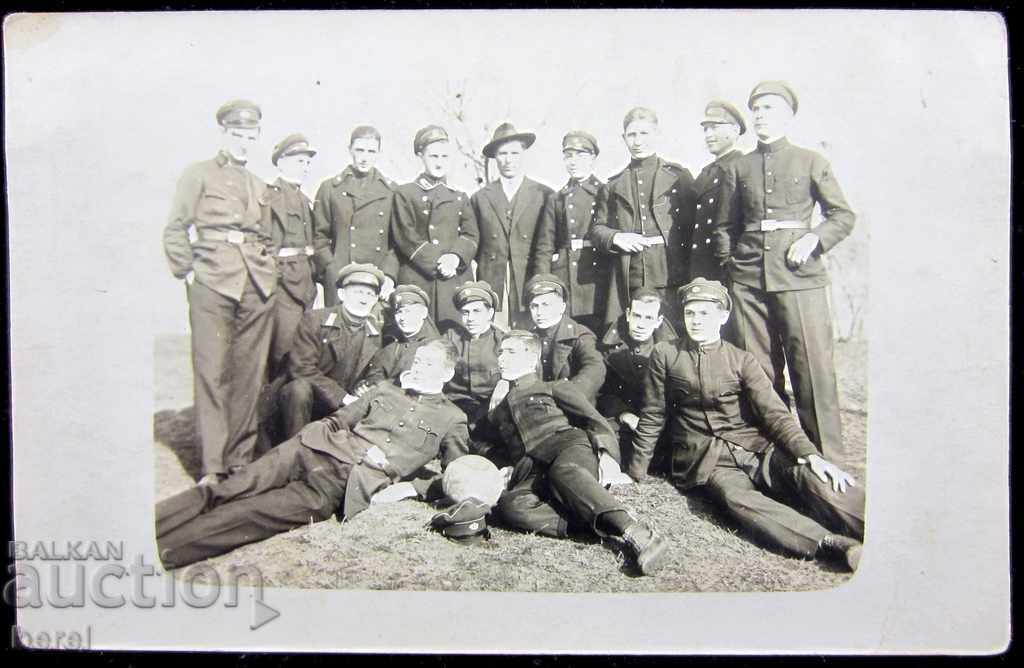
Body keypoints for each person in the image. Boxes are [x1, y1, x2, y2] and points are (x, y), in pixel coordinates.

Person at [156, 340, 470, 569]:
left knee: (250, 513)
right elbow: (336, 421)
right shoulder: (385, 389)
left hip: (338, 483)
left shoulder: (451, 418)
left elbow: (457, 475)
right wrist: (334, 442)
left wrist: (409, 488)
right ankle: (148, 525)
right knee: (228, 487)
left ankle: (159, 551)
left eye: (428, 363)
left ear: (447, 372)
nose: (417, 367)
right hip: (308, 449)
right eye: (417, 360)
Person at [631, 278, 864, 571]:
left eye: (705, 314)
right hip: (707, 460)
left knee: (812, 477)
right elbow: (653, 413)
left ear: (723, 316)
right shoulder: (666, 354)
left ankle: (878, 526)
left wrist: (812, 455)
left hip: (756, 449)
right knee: (736, 499)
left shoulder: (741, 360)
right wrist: (635, 471)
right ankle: (832, 543)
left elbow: (774, 414)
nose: (696, 321)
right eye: (690, 313)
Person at [713, 81, 856, 462]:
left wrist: (814, 239)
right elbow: (724, 227)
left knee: (811, 366)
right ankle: (773, 454)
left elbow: (842, 215)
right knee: (758, 369)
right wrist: (731, 268)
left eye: (770, 108)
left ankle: (827, 459)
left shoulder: (811, 161)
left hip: (800, 276)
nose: (761, 115)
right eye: (756, 108)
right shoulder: (739, 167)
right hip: (747, 280)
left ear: (789, 115)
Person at [483, 331, 668, 575]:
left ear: (531, 357)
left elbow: (594, 420)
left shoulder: (554, 387)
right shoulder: (498, 406)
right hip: (530, 468)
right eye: (500, 353)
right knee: (510, 506)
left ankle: (638, 533)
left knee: (564, 472)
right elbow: (490, 444)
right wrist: (503, 465)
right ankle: (595, 518)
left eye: (510, 352)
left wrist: (606, 456)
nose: (501, 359)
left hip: (567, 447)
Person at [162, 99, 277, 485]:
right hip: (211, 279)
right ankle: (212, 466)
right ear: (224, 134)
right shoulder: (198, 175)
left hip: (256, 286)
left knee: (249, 376)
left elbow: (268, 237)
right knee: (211, 372)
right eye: (237, 135)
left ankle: (239, 460)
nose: (244, 142)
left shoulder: (259, 184)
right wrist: (186, 271)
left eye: (250, 136)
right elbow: (175, 227)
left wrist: (270, 272)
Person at [590, 107, 696, 329]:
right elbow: (597, 228)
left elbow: (693, 225)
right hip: (631, 274)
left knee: (672, 334)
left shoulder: (678, 176)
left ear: (657, 135)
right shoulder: (613, 184)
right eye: (632, 135)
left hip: (670, 272)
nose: (638, 141)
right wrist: (616, 237)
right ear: (624, 138)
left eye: (644, 134)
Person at [276, 263, 385, 438]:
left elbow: (375, 372)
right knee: (299, 389)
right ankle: (296, 450)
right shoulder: (315, 319)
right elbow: (301, 369)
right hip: (309, 401)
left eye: (370, 294)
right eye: (358, 292)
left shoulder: (375, 332)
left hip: (342, 405)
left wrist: (366, 387)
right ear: (342, 294)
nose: (364, 299)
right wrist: (342, 397)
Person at [391, 125, 480, 332]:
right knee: (419, 336)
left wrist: (455, 258)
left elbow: (471, 234)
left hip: (453, 278)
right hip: (419, 278)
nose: (439, 162)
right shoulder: (405, 194)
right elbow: (405, 235)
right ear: (421, 155)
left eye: (444, 156)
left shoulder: (459, 196)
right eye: (433, 156)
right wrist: (437, 261)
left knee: (454, 337)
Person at [472, 122, 554, 329]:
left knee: (528, 335)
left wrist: (541, 281)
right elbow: (473, 242)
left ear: (524, 154)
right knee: (495, 335)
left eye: (514, 153)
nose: (508, 160)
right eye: (502, 153)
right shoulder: (480, 198)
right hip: (493, 278)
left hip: (529, 275)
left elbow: (549, 242)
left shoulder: (544, 194)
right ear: (494, 158)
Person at [530, 130, 610, 332]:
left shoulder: (605, 192)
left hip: (596, 278)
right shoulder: (557, 199)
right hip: (565, 278)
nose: (573, 161)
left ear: (592, 158)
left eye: (580, 155)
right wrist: (543, 286)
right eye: (568, 155)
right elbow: (545, 246)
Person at [312, 125, 399, 306]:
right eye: (360, 150)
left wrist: (389, 275)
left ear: (378, 153)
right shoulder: (330, 188)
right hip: (341, 277)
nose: (364, 157)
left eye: (371, 151)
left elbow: (397, 243)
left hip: (376, 278)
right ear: (350, 149)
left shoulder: (391, 191)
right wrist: (331, 267)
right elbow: (319, 237)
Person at [596, 288, 677, 474]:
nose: (641, 324)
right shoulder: (609, 348)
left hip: (655, 423)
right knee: (601, 432)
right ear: (627, 314)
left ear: (659, 322)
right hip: (620, 420)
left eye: (648, 318)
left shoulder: (672, 351)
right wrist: (623, 414)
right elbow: (603, 392)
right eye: (637, 316)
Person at [263, 133, 319, 376]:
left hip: (305, 283)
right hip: (283, 283)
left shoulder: (305, 200)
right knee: (282, 348)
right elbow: (264, 243)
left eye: (307, 162)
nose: (305, 167)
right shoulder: (270, 196)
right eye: (299, 161)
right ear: (281, 162)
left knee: (302, 346)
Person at [687, 100, 747, 284]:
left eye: (714, 127)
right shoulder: (706, 172)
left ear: (735, 130)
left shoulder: (744, 168)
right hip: (701, 267)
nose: (708, 135)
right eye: (705, 129)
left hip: (728, 268)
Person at [523, 273, 605, 404]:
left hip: (571, 408)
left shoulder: (579, 335)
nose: (539, 312)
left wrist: (566, 397)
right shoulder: (528, 337)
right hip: (538, 406)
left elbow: (595, 369)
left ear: (562, 307)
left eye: (546, 305)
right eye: (534, 306)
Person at [442, 281, 506, 438]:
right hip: (454, 407)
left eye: (477, 311)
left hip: (490, 409)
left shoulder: (503, 341)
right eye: (465, 312)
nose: (470, 318)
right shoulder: (451, 337)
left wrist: (505, 382)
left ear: (490, 313)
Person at [358, 284, 441, 388]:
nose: (402, 318)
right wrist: (366, 386)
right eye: (399, 312)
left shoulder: (432, 346)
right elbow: (375, 372)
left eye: (408, 311)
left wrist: (379, 387)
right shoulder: (392, 341)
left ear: (423, 313)